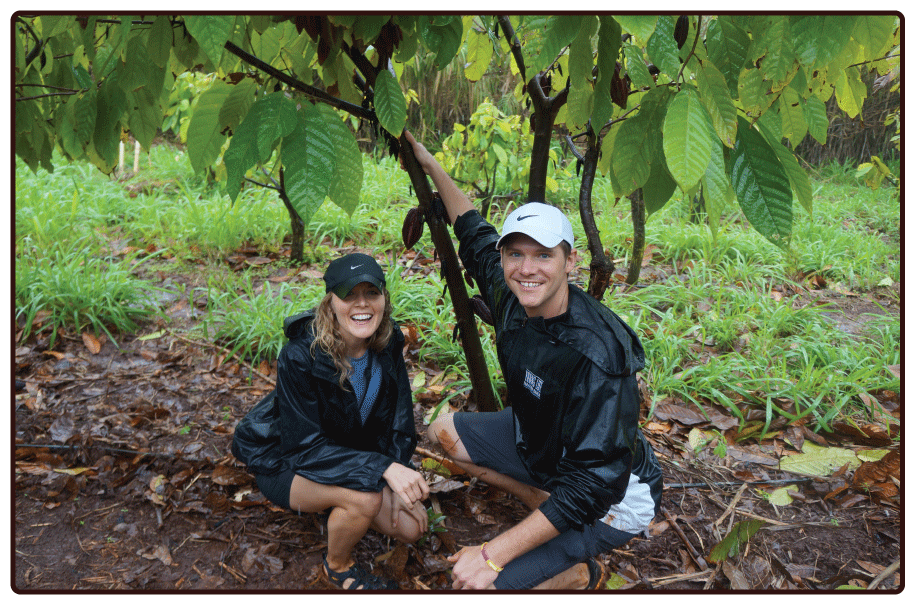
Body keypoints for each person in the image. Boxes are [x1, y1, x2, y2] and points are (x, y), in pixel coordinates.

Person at [403, 131, 663, 590]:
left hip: (612, 495)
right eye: (516, 254)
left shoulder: (600, 353)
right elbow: (472, 228)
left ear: (570, 261)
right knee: (443, 432)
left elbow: (594, 484)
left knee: (485, 588)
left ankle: (581, 571)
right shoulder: (510, 295)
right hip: (543, 448)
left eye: (544, 255)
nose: (528, 269)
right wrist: (430, 163)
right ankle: (539, 500)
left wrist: (492, 552)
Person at [231, 252, 429, 590]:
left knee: (412, 528)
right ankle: (338, 568)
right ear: (330, 302)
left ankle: (335, 502)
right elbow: (303, 448)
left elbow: (400, 420)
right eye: (349, 294)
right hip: (286, 461)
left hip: (346, 454)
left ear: (384, 298)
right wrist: (383, 470)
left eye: (372, 293)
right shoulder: (301, 354)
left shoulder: (388, 340)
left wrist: (395, 467)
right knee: (364, 500)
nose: (362, 304)